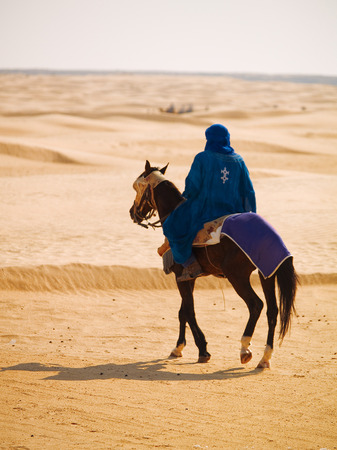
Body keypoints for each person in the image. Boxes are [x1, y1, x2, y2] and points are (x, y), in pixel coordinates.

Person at [162, 123, 256, 282]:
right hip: (235, 212)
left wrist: (185, 200)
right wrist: (249, 215)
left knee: (171, 225)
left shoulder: (202, 158)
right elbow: (248, 191)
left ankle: (190, 264)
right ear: (227, 138)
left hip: (206, 210)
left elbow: (193, 186)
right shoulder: (239, 160)